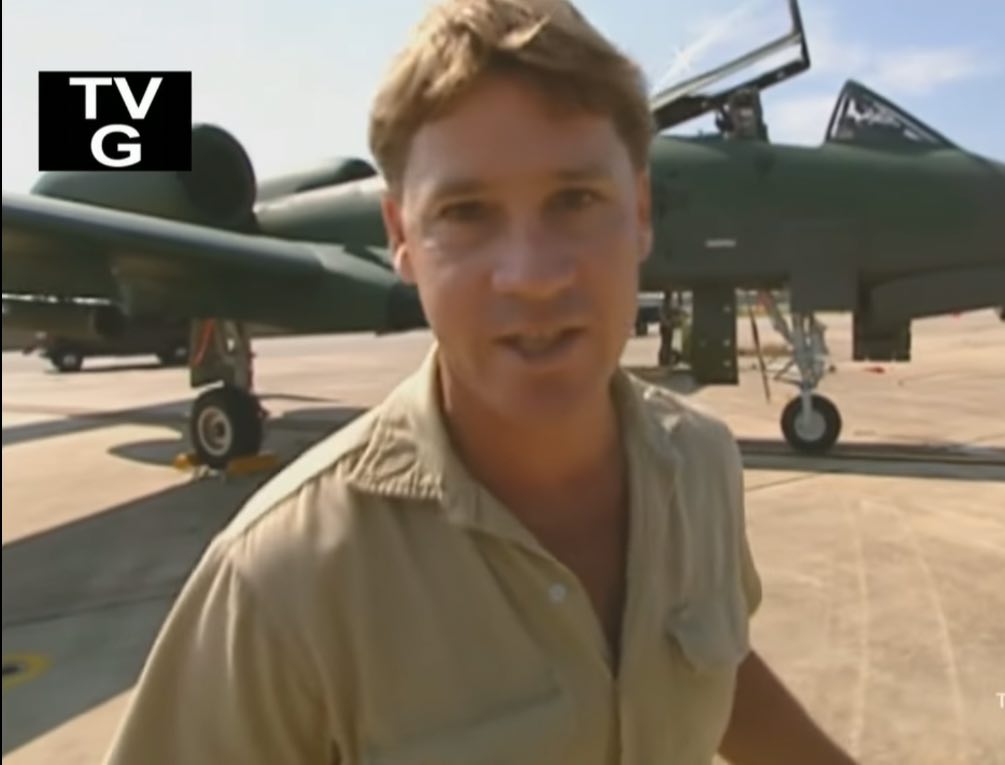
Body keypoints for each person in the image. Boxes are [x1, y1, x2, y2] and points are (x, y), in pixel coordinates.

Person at [102, 1, 856, 763]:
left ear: (641, 210)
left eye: (575, 198)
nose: (531, 275)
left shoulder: (702, 465)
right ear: (401, 237)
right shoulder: (279, 582)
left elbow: (716, 670)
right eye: (465, 212)